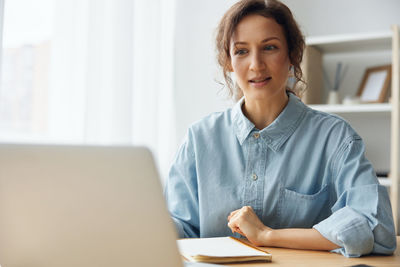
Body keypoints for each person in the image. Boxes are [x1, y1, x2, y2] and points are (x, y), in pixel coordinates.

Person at [164, 0, 396, 257]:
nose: (256, 65)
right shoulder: (200, 138)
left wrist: (267, 235)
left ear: (293, 55)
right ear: (228, 61)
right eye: (241, 51)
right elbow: (176, 228)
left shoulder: (336, 138)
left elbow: (377, 228)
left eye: (270, 47)